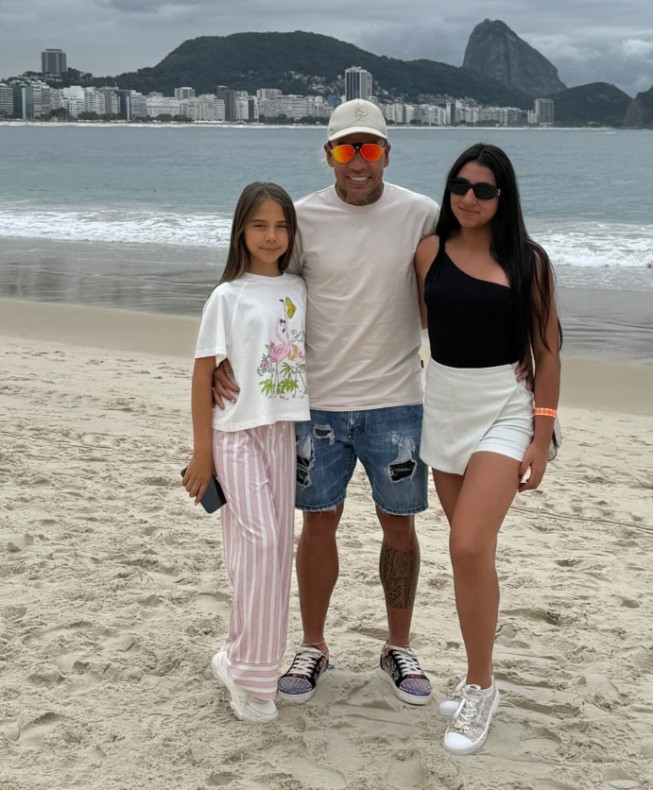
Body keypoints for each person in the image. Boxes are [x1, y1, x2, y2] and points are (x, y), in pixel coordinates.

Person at [212, 100, 440, 706]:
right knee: (318, 524)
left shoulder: (421, 213)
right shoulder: (303, 218)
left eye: (370, 148)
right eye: (346, 148)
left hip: (398, 400)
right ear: (329, 154)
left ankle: (398, 646)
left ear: (388, 153)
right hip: (317, 404)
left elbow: (468, 279)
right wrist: (223, 359)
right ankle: (313, 645)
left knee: (400, 527)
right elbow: (261, 290)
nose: (358, 161)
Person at [414, 143, 562, 755]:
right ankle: (479, 673)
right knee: (471, 556)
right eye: (460, 186)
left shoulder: (529, 261)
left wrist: (542, 436)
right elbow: (419, 323)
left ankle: (480, 686)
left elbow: (548, 350)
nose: (469, 199)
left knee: (469, 544)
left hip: (505, 408)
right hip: (444, 406)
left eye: (484, 190)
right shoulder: (428, 252)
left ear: (504, 197)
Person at [183, 182, 309, 723]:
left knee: (275, 553)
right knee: (259, 544)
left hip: (281, 432)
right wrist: (202, 454)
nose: (271, 236)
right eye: (260, 225)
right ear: (241, 230)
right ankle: (252, 680)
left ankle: (240, 657)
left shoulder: (299, 287)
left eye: (281, 226)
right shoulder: (226, 296)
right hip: (233, 432)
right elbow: (202, 375)